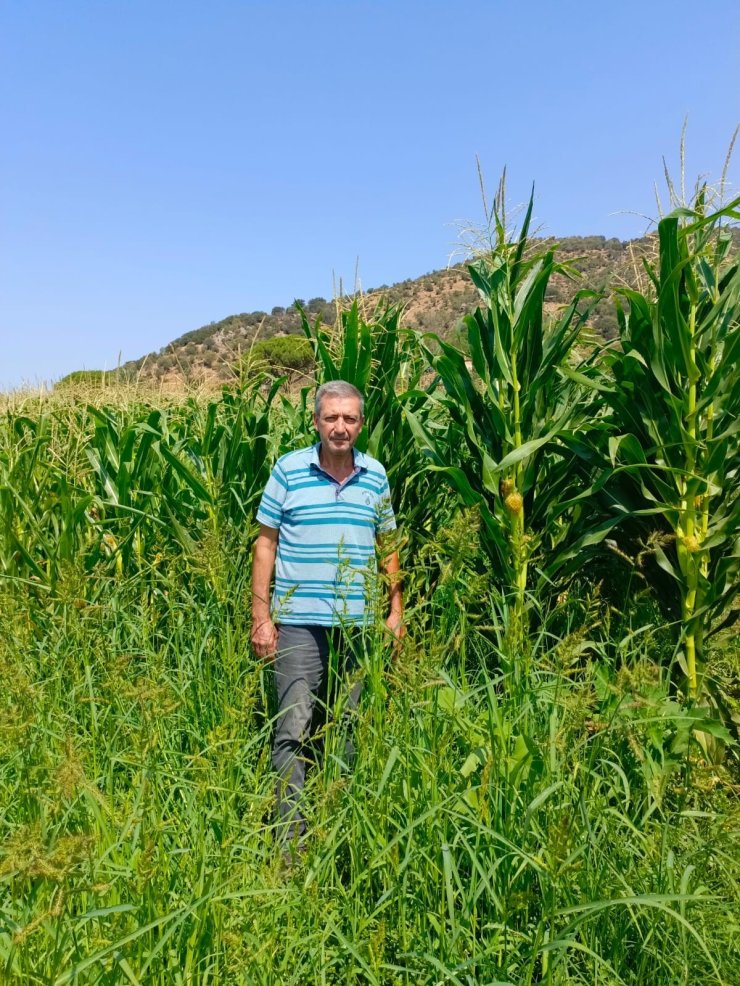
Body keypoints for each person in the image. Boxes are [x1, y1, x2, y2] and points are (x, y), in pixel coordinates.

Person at [251, 380, 403, 849]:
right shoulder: (288, 470)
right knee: (293, 730)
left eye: (350, 419)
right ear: (315, 421)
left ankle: (342, 834)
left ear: (361, 424)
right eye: (331, 418)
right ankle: (290, 848)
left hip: (359, 625)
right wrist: (261, 617)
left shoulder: (375, 475)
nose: (340, 427)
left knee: (353, 729)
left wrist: (395, 612)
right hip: (298, 622)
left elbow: (388, 547)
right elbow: (265, 544)